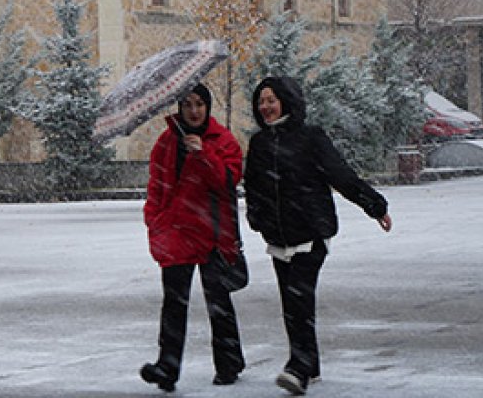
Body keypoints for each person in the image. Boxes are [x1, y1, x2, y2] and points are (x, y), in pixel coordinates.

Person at [243, 76, 393, 396]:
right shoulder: (259, 143)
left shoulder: (310, 138)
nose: (265, 107)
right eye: (261, 101)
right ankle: (310, 366)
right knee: (291, 304)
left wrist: (374, 205)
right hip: (278, 238)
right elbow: (252, 185)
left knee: (299, 298)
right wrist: (256, 217)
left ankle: (298, 366)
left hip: (310, 233)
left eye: (271, 100)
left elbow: (341, 175)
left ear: (286, 100)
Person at [140, 84, 246, 392]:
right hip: (176, 233)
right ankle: (167, 367)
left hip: (212, 232)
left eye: (199, 104)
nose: (194, 110)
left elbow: (228, 181)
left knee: (218, 302)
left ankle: (229, 363)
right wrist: (155, 220)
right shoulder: (165, 143)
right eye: (187, 104)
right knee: (174, 303)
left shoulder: (222, 140)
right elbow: (156, 186)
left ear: (208, 107)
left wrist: (204, 153)